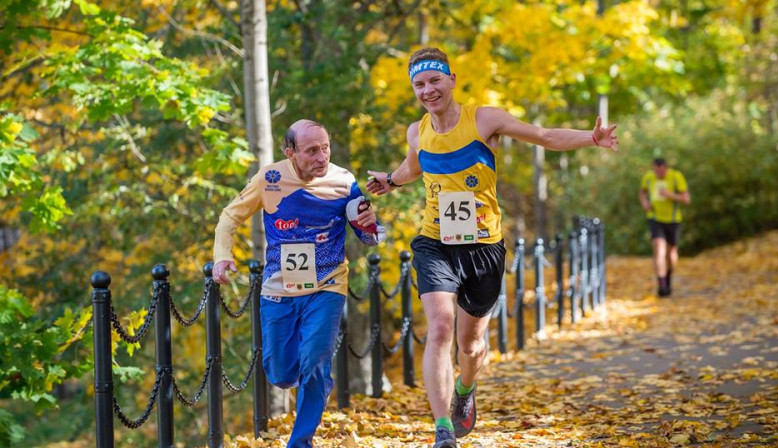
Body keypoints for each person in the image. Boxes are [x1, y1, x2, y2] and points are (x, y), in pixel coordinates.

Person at [365, 47, 619, 448]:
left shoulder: (485, 119)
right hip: (435, 241)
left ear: (451, 80)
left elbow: (544, 136)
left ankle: (466, 388)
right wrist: (391, 182)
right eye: (419, 84)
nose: (428, 90)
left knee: (471, 344)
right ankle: (442, 429)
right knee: (440, 328)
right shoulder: (417, 131)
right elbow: (413, 166)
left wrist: (592, 138)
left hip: (483, 246)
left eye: (434, 81)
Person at [212, 119, 386, 448]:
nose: (321, 157)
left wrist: (372, 226)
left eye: (325, 148)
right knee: (280, 373)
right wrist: (223, 256)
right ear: (290, 152)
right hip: (279, 289)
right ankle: (312, 383)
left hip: (327, 286)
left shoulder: (344, 181)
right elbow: (230, 217)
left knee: (316, 361)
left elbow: (369, 236)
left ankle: (301, 440)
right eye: (311, 151)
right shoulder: (270, 178)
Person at [638, 158, 690, 297]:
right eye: (656, 171)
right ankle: (661, 284)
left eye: (661, 171)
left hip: (673, 220)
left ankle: (668, 277)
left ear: (666, 168)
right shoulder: (649, 178)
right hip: (655, 218)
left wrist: (670, 195)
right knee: (658, 247)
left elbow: (686, 199)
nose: (658, 174)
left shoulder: (675, 177)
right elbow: (642, 193)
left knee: (671, 254)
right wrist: (645, 203)